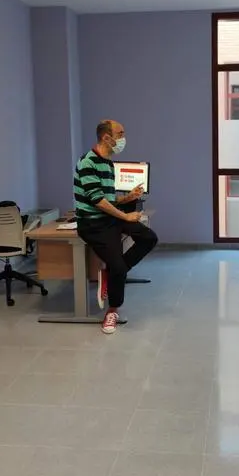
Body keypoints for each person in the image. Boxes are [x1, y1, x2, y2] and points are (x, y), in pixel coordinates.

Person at [74, 120, 158, 334]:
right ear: (106, 137)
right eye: (120, 134)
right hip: (93, 224)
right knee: (119, 267)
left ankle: (110, 276)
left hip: (109, 217)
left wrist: (126, 198)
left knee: (149, 238)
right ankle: (112, 311)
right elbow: (97, 201)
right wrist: (126, 216)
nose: (123, 138)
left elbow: (108, 200)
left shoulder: (108, 163)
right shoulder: (87, 162)